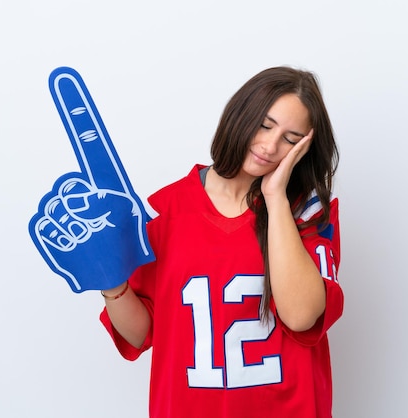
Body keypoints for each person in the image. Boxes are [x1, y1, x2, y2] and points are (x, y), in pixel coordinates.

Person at [99, 66, 343, 418]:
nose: (270, 146)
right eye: (264, 125)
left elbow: (301, 315)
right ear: (240, 115)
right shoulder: (163, 211)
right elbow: (141, 333)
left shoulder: (307, 211)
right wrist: (109, 279)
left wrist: (275, 199)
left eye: (291, 140)